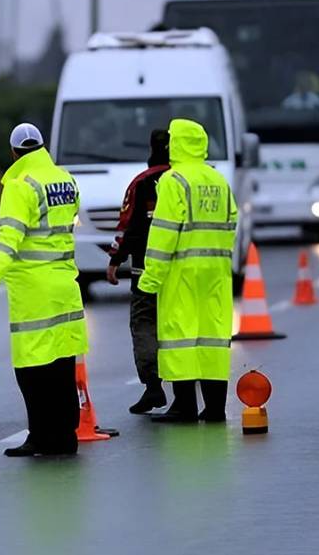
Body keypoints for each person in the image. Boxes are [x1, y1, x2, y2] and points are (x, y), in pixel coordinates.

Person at [0, 123, 87, 457]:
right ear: (41, 146)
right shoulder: (65, 179)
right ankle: (66, 438)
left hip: (34, 291)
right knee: (63, 364)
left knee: (31, 369)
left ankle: (40, 437)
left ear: (13, 153)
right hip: (65, 283)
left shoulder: (20, 185)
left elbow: (11, 238)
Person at [137, 119, 238, 423]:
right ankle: (216, 407)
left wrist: (150, 277)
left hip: (181, 271)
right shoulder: (218, 179)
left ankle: (184, 405)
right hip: (217, 271)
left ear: (177, 144)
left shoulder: (173, 180)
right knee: (212, 336)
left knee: (180, 335)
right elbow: (231, 221)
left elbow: (164, 233)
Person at [107, 129, 171, 415]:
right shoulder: (186, 181)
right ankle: (187, 391)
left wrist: (114, 260)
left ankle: (153, 387)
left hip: (145, 269)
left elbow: (128, 227)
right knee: (180, 328)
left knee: (145, 325)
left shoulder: (142, 183)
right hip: (182, 271)